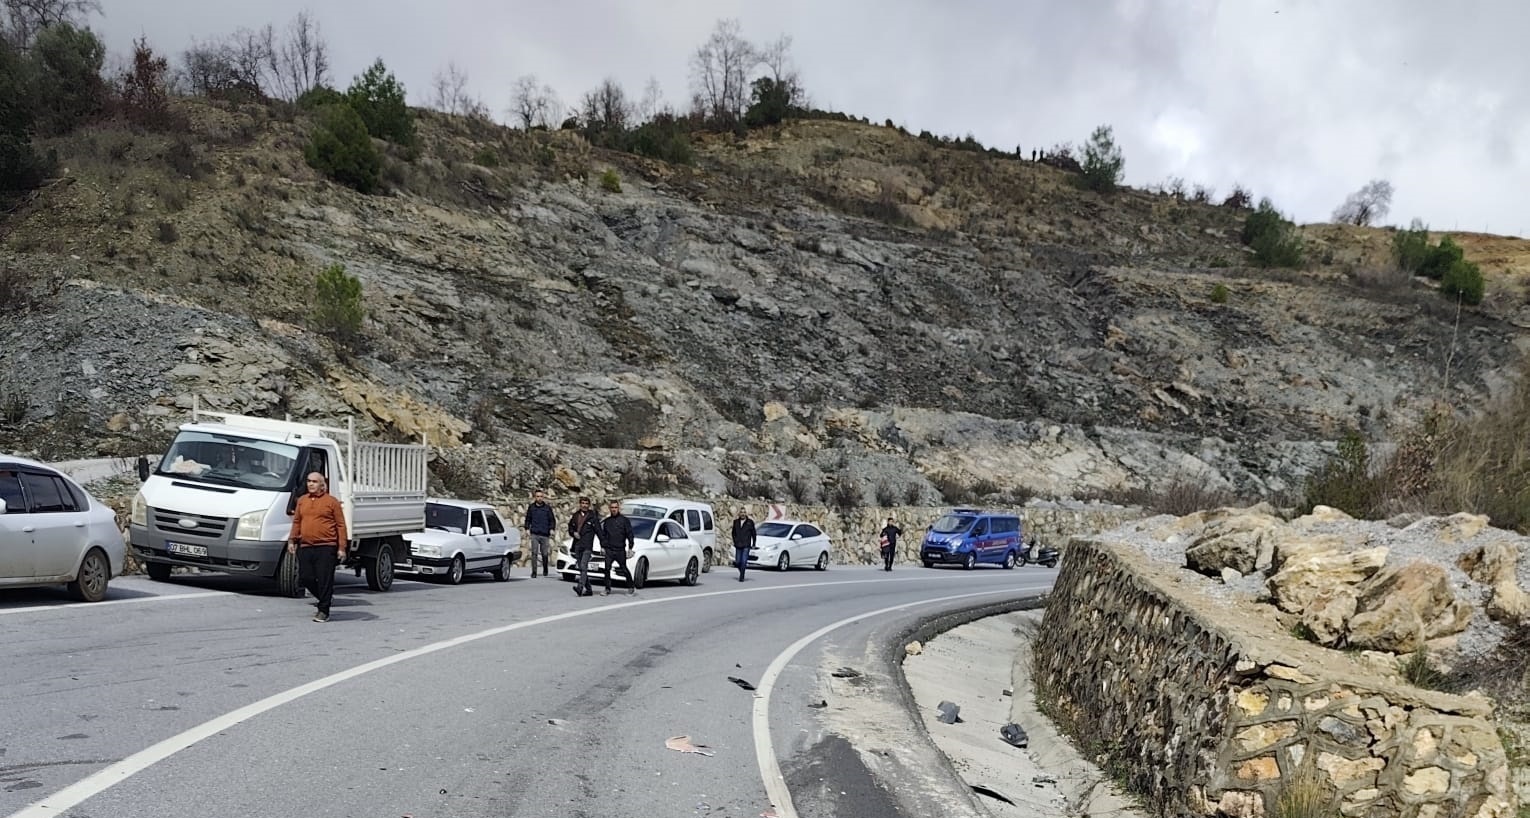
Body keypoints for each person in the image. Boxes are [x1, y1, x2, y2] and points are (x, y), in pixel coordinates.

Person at [288, 472, 347, 622]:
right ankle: (325, 598)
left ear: (322, 484)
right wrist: (292, 540)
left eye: (314, 481)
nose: (311, 484)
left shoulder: (332, 502)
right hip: (306, 546)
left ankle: (323, 610)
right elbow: (296, 522)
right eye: (308, 481)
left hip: (326, 547)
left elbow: (341, 525)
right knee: (305, 577)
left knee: (324, 579)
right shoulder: (302, 500)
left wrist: (341, 547)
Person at [598, 500, 636, 596]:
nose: (614, 509)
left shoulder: (624, 520)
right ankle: (607, 589)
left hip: (620, 550)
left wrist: (630, 548)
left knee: (623, 569)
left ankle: (631, 587)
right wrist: (602, 547)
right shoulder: (607, 521)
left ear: (618, 508)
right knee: (606, 569)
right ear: (610, 509)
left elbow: (630, 534)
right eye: (612, 507)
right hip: (609, 550)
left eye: (615, 507)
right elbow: (603, 536)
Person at [568, 496, 600, 596]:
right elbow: (570, 528)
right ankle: (589, 590)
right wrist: (573, 533)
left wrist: (604, 545)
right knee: (581, 568)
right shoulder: (575, 515)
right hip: (577, 545)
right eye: (583, 503)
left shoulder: (593, 517)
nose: (584, 505)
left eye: (586, 504)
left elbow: (599, 531)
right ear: (580, 504)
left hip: (587, 545)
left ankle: (580, 587)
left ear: (589, 505)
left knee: (583, 566)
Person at [524, 489, 556, 577]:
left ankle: (545, 568)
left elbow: (552, 520)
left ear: (543, 497)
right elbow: (528, 519)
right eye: (537, 496)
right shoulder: (531, 507)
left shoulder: (547, 508)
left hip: (545, 534)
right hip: (534, 533)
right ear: (535, 497)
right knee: (534, 553)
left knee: (545, 554)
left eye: (541, 496)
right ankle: (534, 572)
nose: (539, 498)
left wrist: (552, 529)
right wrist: (527, 528)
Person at [730, 508, 755, 582]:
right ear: (739, 514)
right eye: (741, 512)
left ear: (746, 513)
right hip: (738, 544)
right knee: (738, 562)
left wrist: (754, 543)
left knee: (744, 561)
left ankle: (742, 577)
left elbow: (754, 533)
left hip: (746, 545)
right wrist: (735, 541)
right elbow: (733, 533)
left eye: (744, 512)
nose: (743, 514)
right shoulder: (736, 522)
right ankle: (742, 571)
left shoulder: (750, 522)